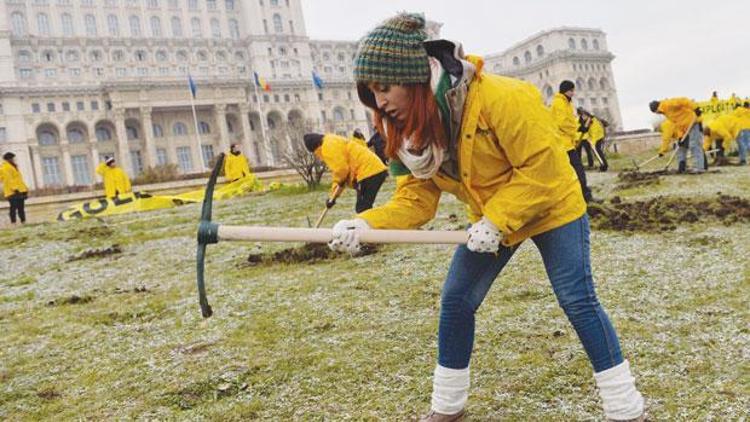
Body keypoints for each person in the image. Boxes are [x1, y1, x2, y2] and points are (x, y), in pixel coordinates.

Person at [328, 13, 645, 421]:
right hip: (490, 223)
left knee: (577, 300)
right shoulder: (411, 134)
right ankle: (447, 408)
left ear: (412, 78)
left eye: (384, 88)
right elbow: (416, 201)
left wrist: (496, 220)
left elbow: (543, 171)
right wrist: (367, 224)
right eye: (370, 92)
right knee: (457, 301)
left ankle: (627, 409)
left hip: (552, 206)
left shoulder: (503, 97)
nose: (379, 102)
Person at [304, 133, 388, 213]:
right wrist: (333, 197)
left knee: (362, 209)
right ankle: (373, 224)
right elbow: (342, 172)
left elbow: (341, 170)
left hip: (369, 172)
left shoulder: (327, 147)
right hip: (372, 169)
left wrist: (334, 195)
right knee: (364, 207)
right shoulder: (332, 140)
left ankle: (375, 225)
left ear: (315, 148)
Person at [551, 80, 594, 202]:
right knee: (578, 169)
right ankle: (585, 197)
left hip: (567, 143)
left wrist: (577, 129)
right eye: (572, 90)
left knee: (572, 171)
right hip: (563, 144)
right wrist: (578, 128)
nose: (573, 93)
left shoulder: (566, 103)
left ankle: (578, 197)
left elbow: (570, 121)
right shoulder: (559, 103)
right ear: (566, 90)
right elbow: (562, 123)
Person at [649, 98, 705, 173]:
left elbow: (684, 101)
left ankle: (699, 167)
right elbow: (678, 124)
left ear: (656, 109)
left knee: (694, 145)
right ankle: (682, 166)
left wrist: (695, 108)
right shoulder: (666, 113)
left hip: (693, 122)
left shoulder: (669, 104)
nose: (658, 114)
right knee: (681, 147)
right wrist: (680, 137)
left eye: (656, 112)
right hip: (684, 128)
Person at [0, 152, 29, 224]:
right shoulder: (5, 168)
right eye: (12, 158)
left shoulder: (14, 166)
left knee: (21, 207)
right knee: (13, 207)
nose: (13, 160)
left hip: (19, 190)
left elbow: (19, 179)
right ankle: (13, 222)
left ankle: (23, 221)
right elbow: (9, 179)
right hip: (12, 191)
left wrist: (25, 190)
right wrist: (15, 189)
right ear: (8, 159)